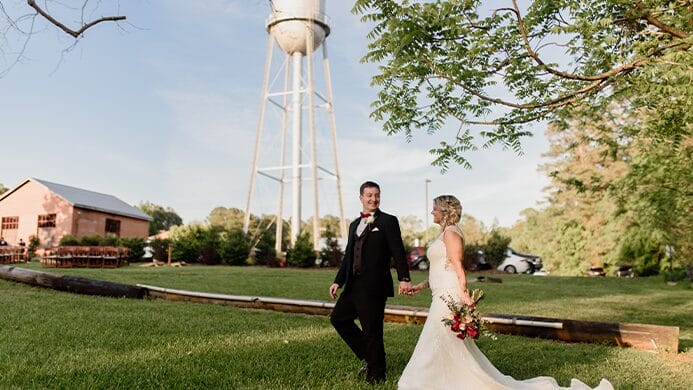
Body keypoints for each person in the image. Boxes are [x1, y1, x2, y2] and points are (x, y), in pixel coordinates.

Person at [398, 195, 613, 390]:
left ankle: (428, 381)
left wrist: (464, 296)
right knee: (443, 339)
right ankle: (439, 378)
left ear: (445, 211)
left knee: (440, 337)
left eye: (434, 208)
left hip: (450, 296)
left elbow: (458, 266)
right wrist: (420, 286)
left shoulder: (452, 234)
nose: (432, 212)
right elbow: (439, 269)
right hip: (439, 294)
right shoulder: (443, 233)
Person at [329, 181, 412, 384]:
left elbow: (398, 251)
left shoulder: (388, 221)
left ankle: (377, 374)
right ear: (361, 198)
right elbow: (349, 255)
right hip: (353, 285)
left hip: (374, 286)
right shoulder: (354, 225)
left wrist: (404, 278)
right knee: (338, 319)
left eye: (377, 195)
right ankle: (371, 357)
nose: (373, 199)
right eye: (369, 195)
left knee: (372, 329)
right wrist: (338, 281)